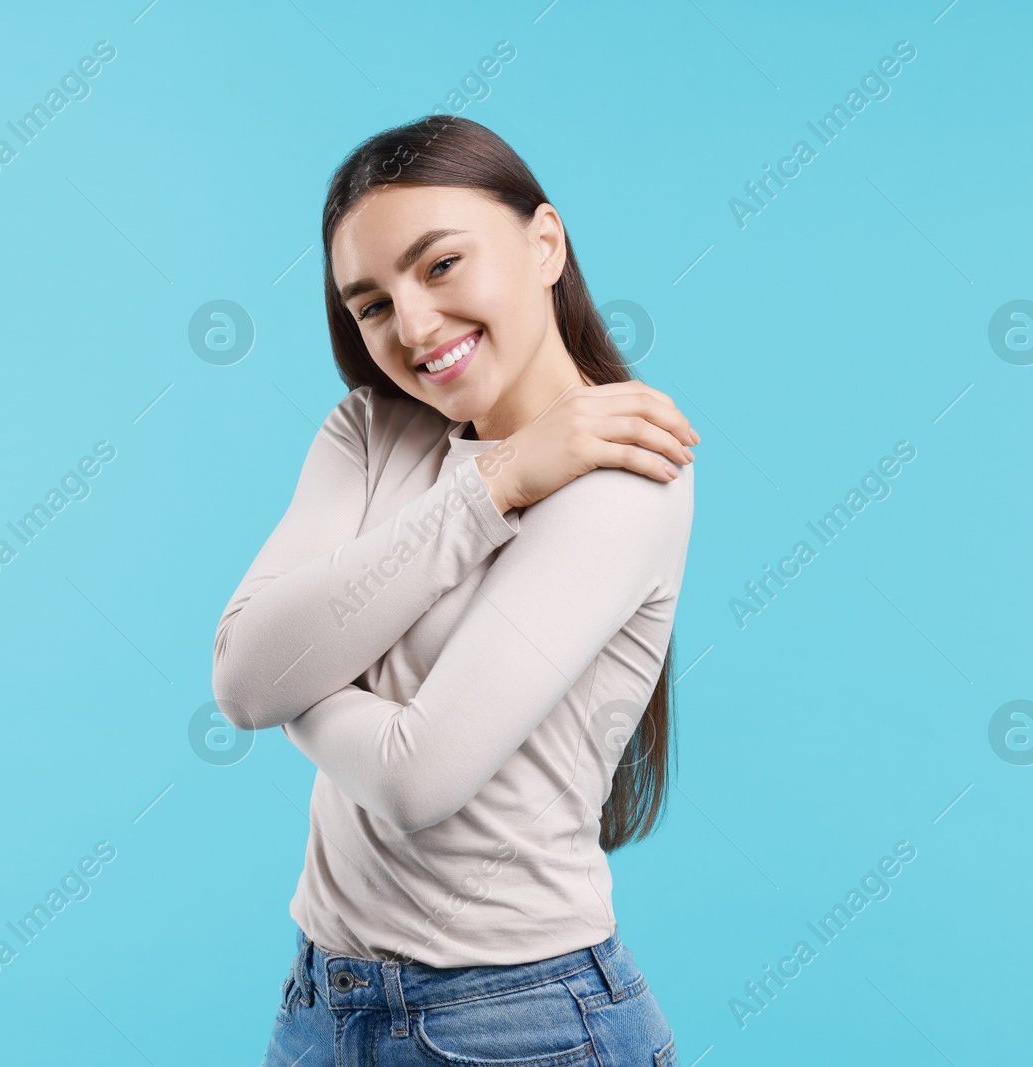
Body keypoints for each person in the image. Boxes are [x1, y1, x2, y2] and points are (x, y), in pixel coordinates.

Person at [212, 115, 699, 1067]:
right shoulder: (370, 429)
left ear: (544, 242)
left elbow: (412, 778)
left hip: (518, 1022)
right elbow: (240, 678)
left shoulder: (628, 474)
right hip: (322, 1002)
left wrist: (298, 683)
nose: (414, 325)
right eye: (372, 304)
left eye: (439, 265)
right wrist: (498, 478)